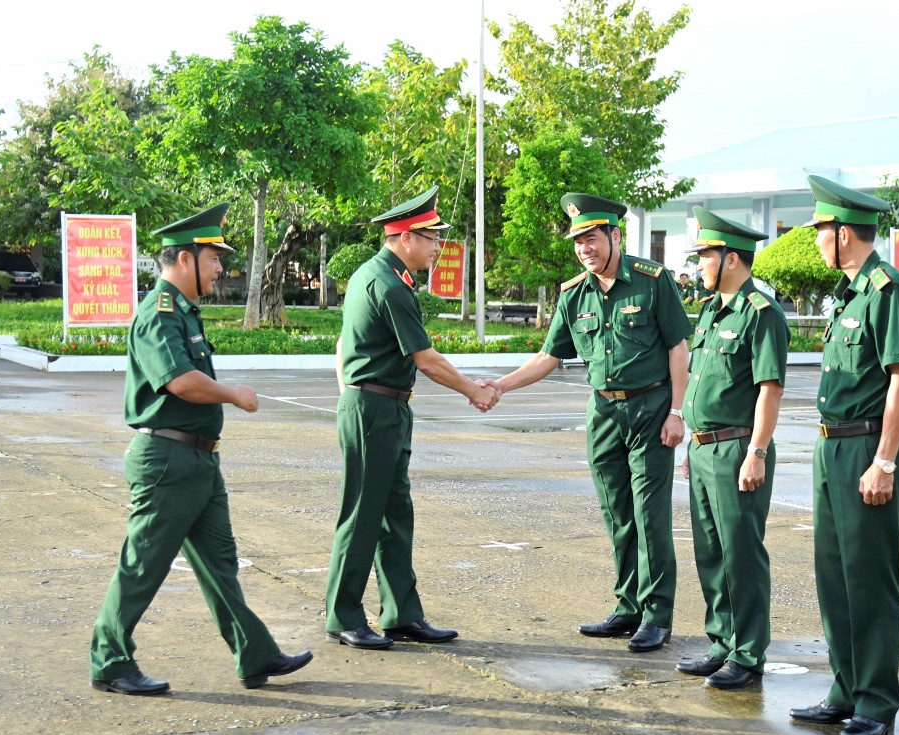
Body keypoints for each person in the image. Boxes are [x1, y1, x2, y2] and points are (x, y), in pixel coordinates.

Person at [89, 204, 312, 695]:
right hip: (167, 461)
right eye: (214, 258)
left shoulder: (185, 313)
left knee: (220, 564)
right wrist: (232, 393)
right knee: (143, 564)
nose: (220, 268)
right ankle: (110, 660)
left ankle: (254, 653)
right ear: (186, 259)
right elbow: (179, 382)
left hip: (199, 460)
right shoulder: (158, 313)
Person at [489, 193, 693, 653]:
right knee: (617, 512)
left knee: (650, 515)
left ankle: (657, 614)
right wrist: (501, 385)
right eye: (578, 241)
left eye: (593, 239)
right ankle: (628, 607)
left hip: (652, 408)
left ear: (614, 236)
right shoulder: (573, 292)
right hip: (602, 412)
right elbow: (549, 357)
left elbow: (678, 349)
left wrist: (678, 412)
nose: (585, 249)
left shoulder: (652, 282)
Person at [326, 187, 498, 651]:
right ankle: (343, 615)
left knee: (394, 514)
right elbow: (426, 358)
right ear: (405, 237)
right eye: (431, 238)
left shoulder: (376, 275)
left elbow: (344, 346)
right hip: (374, 410)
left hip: (384, 407)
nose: (437, 247)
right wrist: (474, 390)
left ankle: (401, 614)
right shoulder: (388, 284)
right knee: (363, 516)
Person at [788, 176, 899, 735]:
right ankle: (845, 687)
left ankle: (876, 701)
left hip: (867, 447)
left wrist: (885, 461)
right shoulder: (848, 293)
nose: (815, 240)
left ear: (845, 233)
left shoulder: (889, 290)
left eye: (820, 230)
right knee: (835, 576)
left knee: (869, 579)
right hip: (831, 445)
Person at [673, 207, 788, 690]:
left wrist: (757, 452)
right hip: (703, 450)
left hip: (737, 449)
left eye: (706, 256)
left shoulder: (761, 314)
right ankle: (722, 642)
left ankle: (748, 651)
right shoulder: (711, 311)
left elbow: (770, 389)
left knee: (741, 553)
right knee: (711, 552)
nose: (700, 265)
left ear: (733, 260)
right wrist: (690, 447)